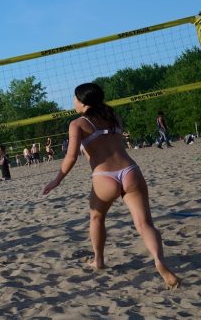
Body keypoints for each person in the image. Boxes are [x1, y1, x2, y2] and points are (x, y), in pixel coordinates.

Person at [43, 83, 180, 289]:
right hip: (130, 171)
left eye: (74, 98)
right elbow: (112, 142)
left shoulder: (77, 124)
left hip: (104, 175)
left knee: (97, 217)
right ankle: (159, 261)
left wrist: (57, 180)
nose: (73, 102)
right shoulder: (113, 115)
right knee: (144, 224)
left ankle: (98, 260)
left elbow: (71, 157)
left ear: (83, 102)